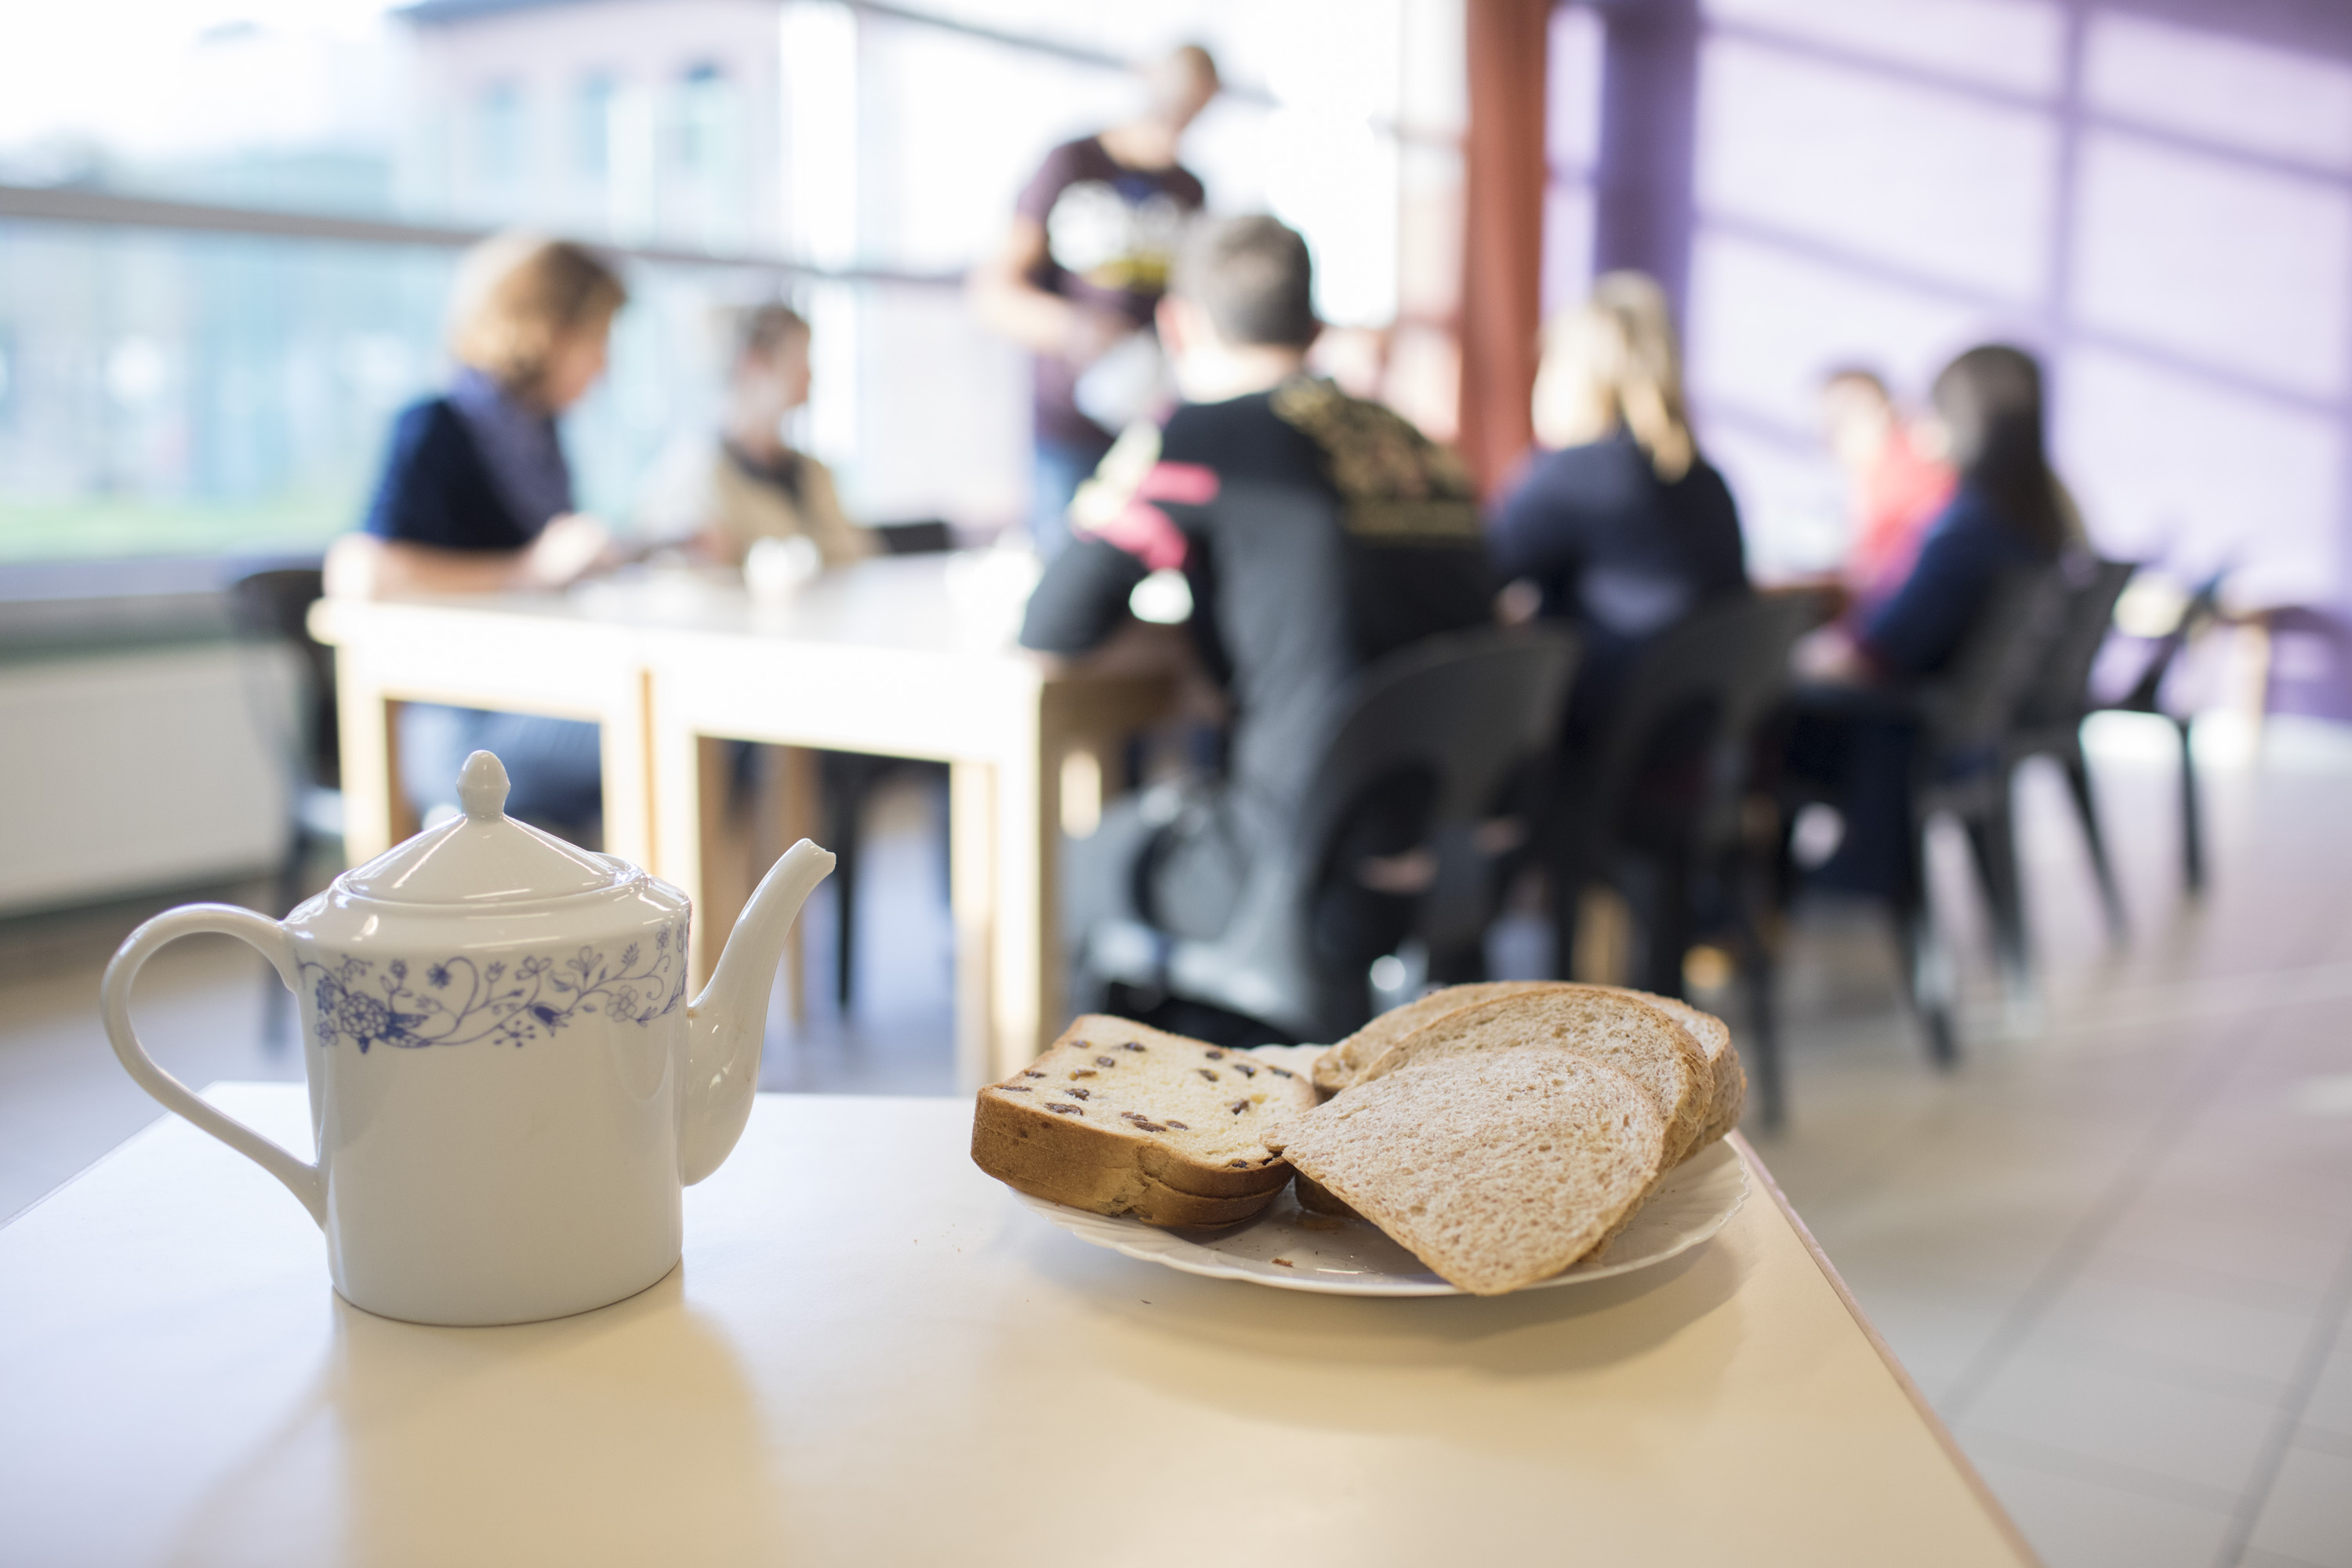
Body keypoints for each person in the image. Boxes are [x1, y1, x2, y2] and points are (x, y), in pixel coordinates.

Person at [1019, 215, 1495, 1022]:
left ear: (1178, 325)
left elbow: (1055, 619)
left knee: (1060, 865)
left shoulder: (1207, 436)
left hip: (1288, 868)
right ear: (1313, 327)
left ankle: (1080, 1121)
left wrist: (1141, 454)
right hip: (1441, 859)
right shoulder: (1413, 444)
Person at [324, 234, 626, 827]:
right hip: (461, 727)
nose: (604, 364)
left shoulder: (540, 443)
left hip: (536, 694)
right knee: (665, 738)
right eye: (596, 338)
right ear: (545, 330)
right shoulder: (436, 427)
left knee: (686, 738)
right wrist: (529, 570)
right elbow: (358, 571)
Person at [1788, 343, 2071, 898]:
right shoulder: (2032, 526)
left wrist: (1790, 660)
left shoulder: (1966, 534)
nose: (1917, 429)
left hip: (1906, 740)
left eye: (1932, 412)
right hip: (1959, 738)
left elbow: (1873, 656)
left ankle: (1754, 904)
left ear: (1963, 421)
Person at [968, 45, 1218, 560]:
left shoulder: (1190, 189)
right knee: (1065, 578)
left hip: (1149, 427)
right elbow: (993, 292)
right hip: (1069, 428)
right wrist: (1075, 328)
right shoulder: (1073, 163)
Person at [1487, 271, 1748, 744]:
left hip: (1597, 745)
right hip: (1692, 744)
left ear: (1579, 377)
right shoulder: (1708, 480)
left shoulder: (1574, 474)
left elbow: (1471, 579)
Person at [637, 303, 873, 569]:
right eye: (799, 363)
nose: (810, 379)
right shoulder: (690, 479)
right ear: (753, 363)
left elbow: (857, 556)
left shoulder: (815, 474)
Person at [1820, 367, 1954, 620]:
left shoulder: (1902, 474)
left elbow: (1879, 580)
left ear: (1885, 411)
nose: (1831, 437)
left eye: (1841, 419)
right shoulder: (1888, 468)